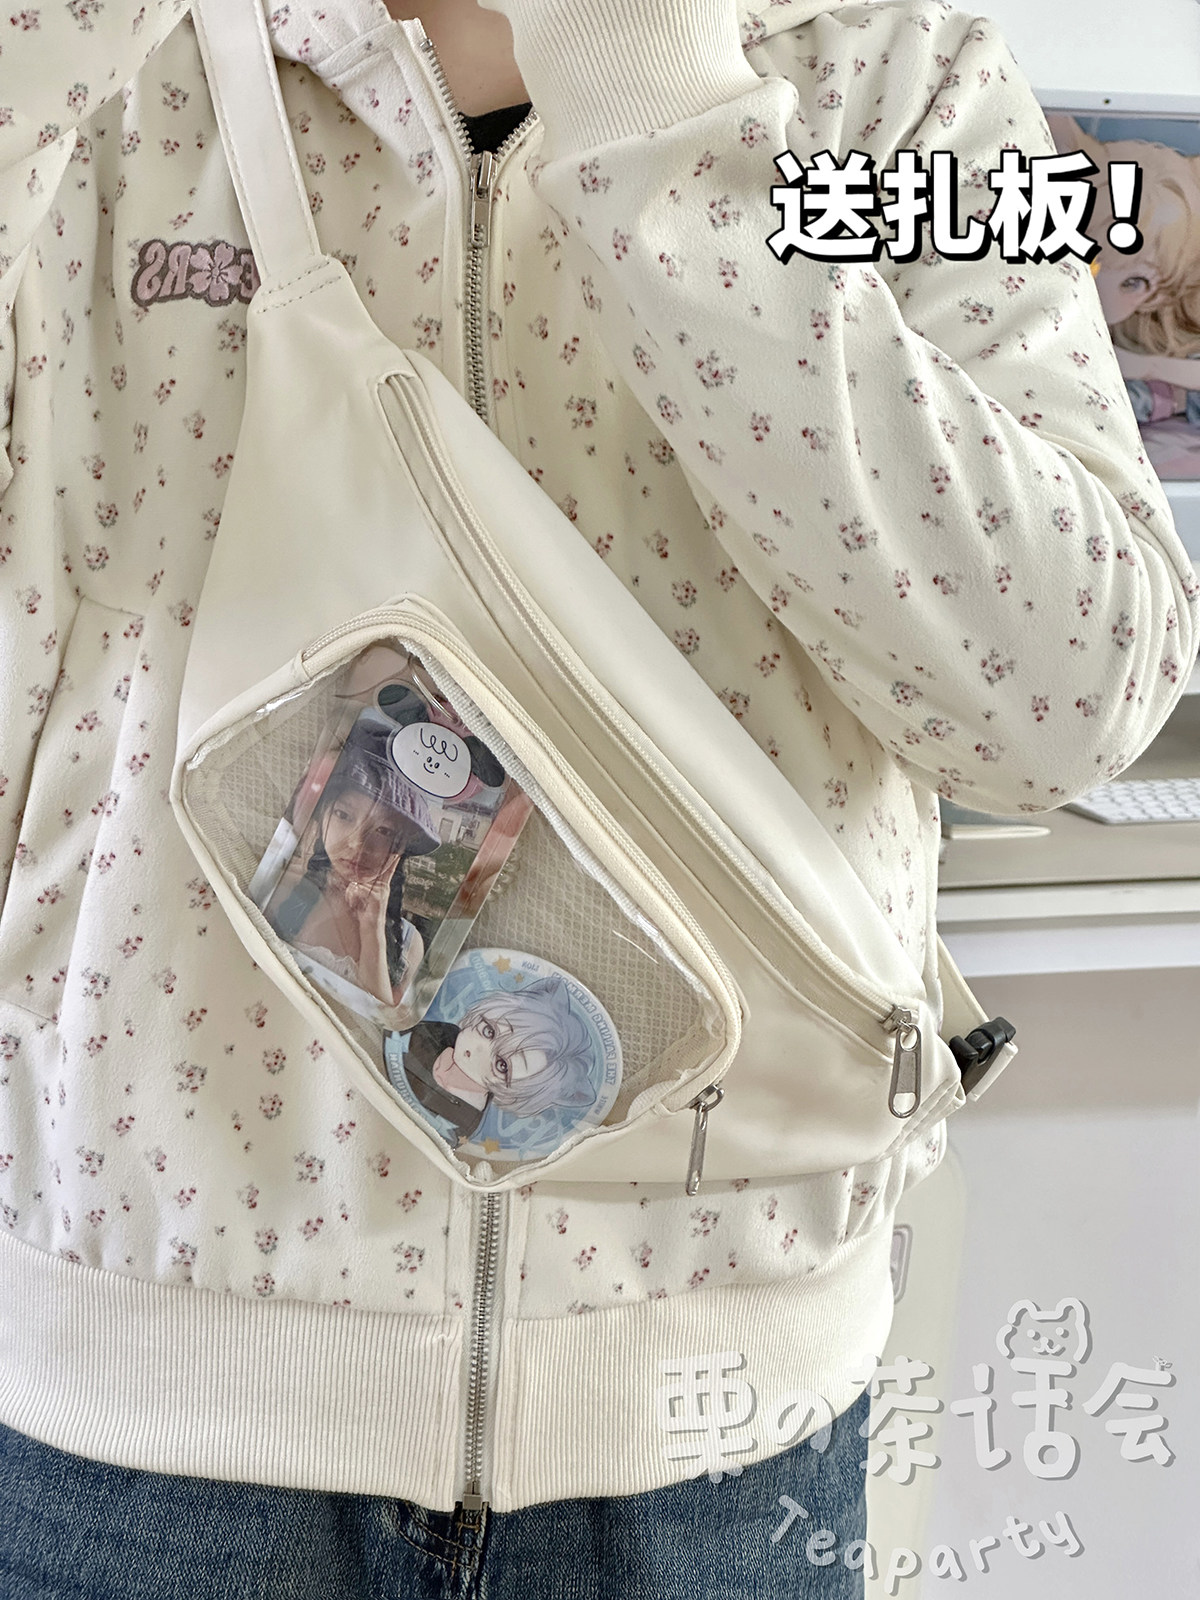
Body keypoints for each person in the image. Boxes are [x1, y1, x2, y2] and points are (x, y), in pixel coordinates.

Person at [0, 1, 1196, 1597]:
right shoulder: (96, 62)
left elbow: (1073, 700)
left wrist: (654, 102)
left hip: (716, 1433)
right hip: (144, 1406)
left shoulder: (889, 70)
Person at [267, 717, 441, 1015]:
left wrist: (372, 926)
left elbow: (376, 1020)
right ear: (322, 817)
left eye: (383, 830)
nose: (357, 843)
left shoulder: (409, 945)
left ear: (400, 847)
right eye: (344, 815)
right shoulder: (282, 890)